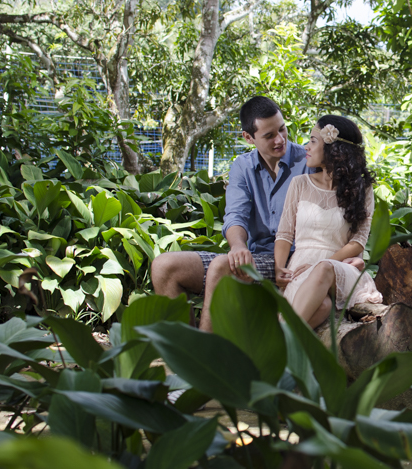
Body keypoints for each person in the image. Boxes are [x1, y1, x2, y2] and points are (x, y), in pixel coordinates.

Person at [151, 96, 310, 330]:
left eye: (282, 129)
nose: (280, 140)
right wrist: (238, 246)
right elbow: (235, 215)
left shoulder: (308, 162)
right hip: (254, 258)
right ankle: (182, 350)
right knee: (164, 266)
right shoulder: (242, 166)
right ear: (248, 137)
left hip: (290, 262)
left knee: (221, 266)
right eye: (269, 136)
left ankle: (202, 360)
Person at [274, 115, 382, 328]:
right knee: (322, 306)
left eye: (313, 141)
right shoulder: (299, 184)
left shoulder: (363, 189)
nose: (307, 146)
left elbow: (359, 241)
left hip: (339, 267)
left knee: (323, 268)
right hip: (299, 268)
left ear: (335, 149)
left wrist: (319, 264)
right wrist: (279, 269)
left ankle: (272, 342)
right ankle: (279, 345)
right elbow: (284, 234)